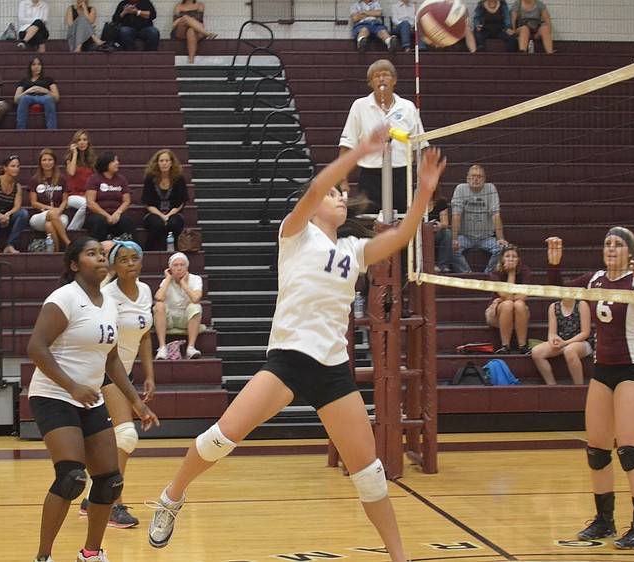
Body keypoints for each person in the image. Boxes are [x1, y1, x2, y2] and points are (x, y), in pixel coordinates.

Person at [145, 126, 446, 562]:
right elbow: (320, 185)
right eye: (334, 195)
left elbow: (399, 239)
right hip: (287, 362)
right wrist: (358, 152)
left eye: (345, 195)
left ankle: (401, 557)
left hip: (333, 372)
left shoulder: (354, 250)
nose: (340, 198)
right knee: (219, 439)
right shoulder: (295, 233)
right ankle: (172, 497)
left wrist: (423, 194)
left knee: (370, 475)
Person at [27, 236, 159, 562]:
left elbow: (112, 360)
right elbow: (36, 348)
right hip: (54, 396)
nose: (100, 258)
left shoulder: (110, 303)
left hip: (90, 398)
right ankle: (43, 557)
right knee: (71, 477)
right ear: (74, 264)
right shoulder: (64, 298)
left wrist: (136, 402)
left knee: (110, 482)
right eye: (91, 254)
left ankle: (91, 554)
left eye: (102, 253)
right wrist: (72, 386)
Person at [545, 228, 634, 549]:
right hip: (604, 371)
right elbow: (558, 291)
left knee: (629, 450)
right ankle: (604, 521)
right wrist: (554, 265)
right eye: (607, 244)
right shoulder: (594, 280)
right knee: (596, 449)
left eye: (618, 245)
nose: (611, 248)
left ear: (631, 252)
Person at [76, 239, 156, 529]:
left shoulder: (145, 291)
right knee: (125, 436)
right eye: (123, 259)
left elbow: (145, 334)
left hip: (125, 373)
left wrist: (149, 375)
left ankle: (92, 499)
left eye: (135, 258)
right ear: (113, 265)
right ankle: (112, 504)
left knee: (110, 438)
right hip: (102, 369)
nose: (131, 264)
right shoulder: (106, 295)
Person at [339, 59, 427, 215]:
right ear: (370, 83)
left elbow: (419, 147)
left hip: (400, 175)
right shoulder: (359, 106)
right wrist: (343, 179)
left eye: (385, 75)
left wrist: (424, 179)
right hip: (370, 175)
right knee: (368, 220)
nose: (381, 79)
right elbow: (348, 144)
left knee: (400, 221)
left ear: (394, 80)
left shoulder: (408, 107)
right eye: (376, 76)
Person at [449, 164, 507, 274]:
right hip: (465, 236)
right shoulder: (460, 189)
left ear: (484, 179)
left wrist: (500, 238)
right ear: (467, 178)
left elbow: (496, 214)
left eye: (479, 176)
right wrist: (454, 238)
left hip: (486, 237)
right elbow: (456, 215)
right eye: (473, 176)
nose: (476, 179)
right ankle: (467, 276)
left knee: (502, 248)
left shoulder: (490, 188)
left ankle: (487, 276)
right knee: (450, 248)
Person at [153, 252, 203, 361]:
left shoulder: (196, 279)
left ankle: (191, 348)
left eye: (182, 265)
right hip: (169, 319)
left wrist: (183, 283)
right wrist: (167, 279)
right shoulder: (166, 280)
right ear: (170, 268)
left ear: (187, 267)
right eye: (175, 265)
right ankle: (162, 347)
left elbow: (195, 298)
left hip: (185, 318)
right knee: (159, 305)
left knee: (195, 306)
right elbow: (159, 297)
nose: (179, 268)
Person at [530, 298, 593, 385]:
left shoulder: (582, 305)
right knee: (536, 352)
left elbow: (585, 333)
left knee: (569, 351)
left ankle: (579, 385)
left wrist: (566, 343)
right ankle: (551, 384)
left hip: (581, 342)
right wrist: (554, 340)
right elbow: (552, 333)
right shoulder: (554, 306)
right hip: (562, 341)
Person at [485, 244, 530, 354]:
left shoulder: (525, 271)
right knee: (507, 304)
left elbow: (523, 297)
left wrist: (504, 298)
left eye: (514, 256)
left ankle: (523, 346)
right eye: (507, 256)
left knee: (519, 304)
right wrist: (511, 274)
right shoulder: (494, 273)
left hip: (518, 311)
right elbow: (506, 295)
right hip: (496, 313)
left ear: (518, 260)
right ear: (502, 259)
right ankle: (505, 346)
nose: (510, 259)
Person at [141, 149, 188, 251]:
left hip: (174, 212)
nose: (164, 163)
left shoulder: (179, 179)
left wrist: (168, 216)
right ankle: (149, 250)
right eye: (161, 161)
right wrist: (162, 216)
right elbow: (147, 203)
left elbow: (181, 202)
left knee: (173, 223)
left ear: (171, 162)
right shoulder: (150, 178)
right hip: (153, 213)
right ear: (157, 163)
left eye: (167, 160)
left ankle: (175, 250)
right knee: (157, 224)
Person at [84, 152, 137, 242]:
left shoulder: (121, 179)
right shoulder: (93, 179)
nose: (117, 163)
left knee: (126, 221)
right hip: (97, 215)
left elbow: (126, 201)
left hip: (116, 214)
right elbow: (91, 202)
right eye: (114, 161)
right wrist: (107, 216)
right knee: (100, 222)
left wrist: (118, 212)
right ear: (106, 163)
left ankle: (132, 249)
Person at [28, 148, 70, 251]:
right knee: (51, 214)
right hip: (39, 216)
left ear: (54, 162)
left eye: (50, 160)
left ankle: (55, 251)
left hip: (59, 216)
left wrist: (59, 209)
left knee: (49, 225)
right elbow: (34, 203)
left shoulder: (61, 178)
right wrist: (50, 209)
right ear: (40, 162)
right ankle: (68, 242)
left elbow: (65, 200)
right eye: (44, 160)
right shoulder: (34, 179)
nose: (47, 163)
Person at [13, 56, 59, 130]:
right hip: (28, 96)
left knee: (49, 99)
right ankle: (20, 130)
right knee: (24, 98)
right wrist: (27, 91)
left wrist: (45, 91)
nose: (36, 67)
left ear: (42, 66)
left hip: (44, 96)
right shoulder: (24, 80)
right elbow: (16, 99)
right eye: (34, 65)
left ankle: (52, 130)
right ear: (30, 67)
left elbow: (56, 98)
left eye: (39, 64)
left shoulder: (48, 80)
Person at [65, 130, 95, 231]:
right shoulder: (70, 159)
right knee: (87, 204)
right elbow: (72, 172)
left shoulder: (93, 160)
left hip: (88, 195)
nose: (82, 142)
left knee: (91, 202)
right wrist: (74, 154)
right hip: (73, 195)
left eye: (84, 140)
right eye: (79, 140)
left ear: (88, 142)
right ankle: (72, 230)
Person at [171, 0, 217, 64]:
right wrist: (184, 20)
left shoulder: (200, 4)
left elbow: (198, 18)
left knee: (190, 31)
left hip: (196, 31)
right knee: (185, 18)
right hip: (181, 31)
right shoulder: (178, 6)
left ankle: (191, 60)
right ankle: (207, 33)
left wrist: (181, 19)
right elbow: (175, 23)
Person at [427, 189, 452, 273]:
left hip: (436, 232)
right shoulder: (415, 202)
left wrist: (440, 225)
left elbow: (445, 223)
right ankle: (430, 265)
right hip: (422, 233)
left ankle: (443, 265)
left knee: (447, 233)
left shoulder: (440, 202)